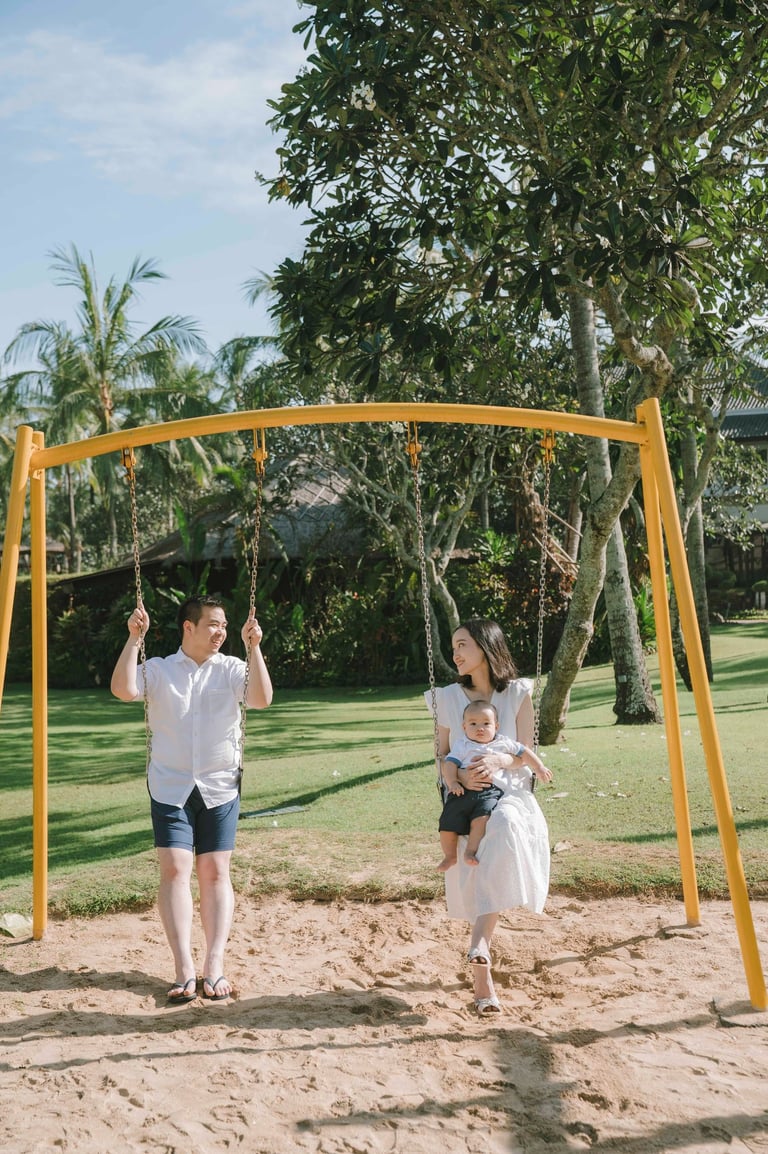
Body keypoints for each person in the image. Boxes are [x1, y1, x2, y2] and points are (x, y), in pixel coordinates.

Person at [111, 594, 273, 1004]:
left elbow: (261, 699)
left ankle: (213, 964)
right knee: (175, 868)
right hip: (171, 785)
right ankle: (184, 966)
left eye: (224, 625)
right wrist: (134, 639)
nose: (221, 632)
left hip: (219, 786)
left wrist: (254, 647)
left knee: (215, 871)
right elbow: (123, 690)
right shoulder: (161, 670)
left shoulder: (234, 668)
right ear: (189, 626)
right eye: (213, 625)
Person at [425, 618, 553, 1015]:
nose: (455, 653)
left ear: (485, 646)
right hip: (465, 794)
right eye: (453, 645)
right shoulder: (446, 697)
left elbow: (526, 754)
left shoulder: (517, 694)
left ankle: (480, 946)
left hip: (512, 792)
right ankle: (483, 977)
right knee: (481, 838)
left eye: (462, 644)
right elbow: (442, 755)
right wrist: (459, 775)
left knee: (505, 824)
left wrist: (501, 758)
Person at [438, 698, 551, 871]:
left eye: (486, 723)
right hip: (461, 790)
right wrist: (453, 782)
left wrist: (539, 767)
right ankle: (450, 856)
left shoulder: (503, 742)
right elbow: (449, 764)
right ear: (464, 727)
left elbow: (525, 752)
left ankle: (470, 851)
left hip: (488, 791)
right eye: (473, 723)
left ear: (496, 727)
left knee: (481, 820)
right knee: (447, 821)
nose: (480, 728)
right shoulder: (463, 744)